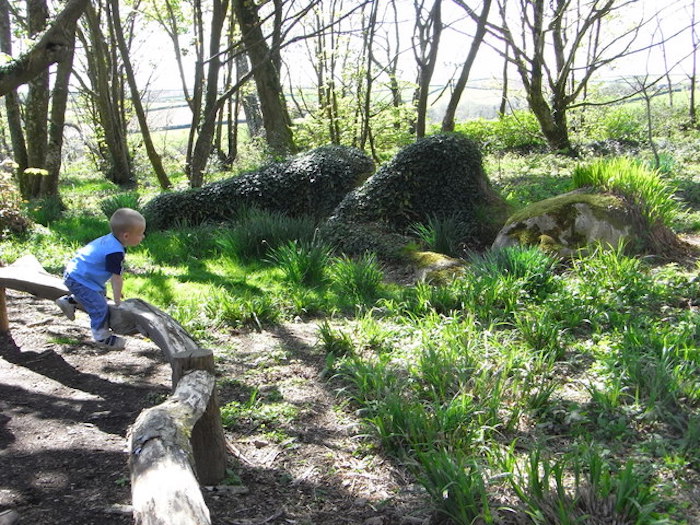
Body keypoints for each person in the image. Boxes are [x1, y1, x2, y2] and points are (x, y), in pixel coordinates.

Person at [55, 208, 146, 349]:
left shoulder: (111, 240)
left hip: (78, 274)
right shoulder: (115, 251)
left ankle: (69, 301)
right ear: (126, 236)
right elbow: (116, 278)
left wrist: (116, 292)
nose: (143, 237)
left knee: (98, 295)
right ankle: (101, 337)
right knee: (100, 307)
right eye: (140, 234)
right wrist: (117, 301)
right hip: (80, 279)